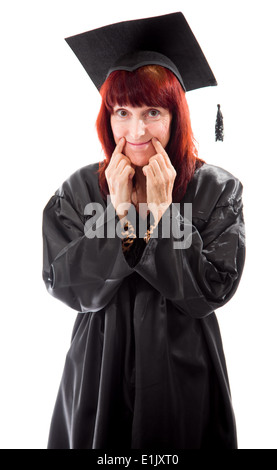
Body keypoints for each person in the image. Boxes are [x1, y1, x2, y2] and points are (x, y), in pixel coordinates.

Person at [42, 12, 245, 449]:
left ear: (176, 115)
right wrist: (121, 214)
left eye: (152, 111)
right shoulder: (79, 189)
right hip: (99, 368)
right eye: (122, 112)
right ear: (108, 117)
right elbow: (67, 284)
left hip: (183, 367)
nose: (136, 131)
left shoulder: (216, 189)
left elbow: (210, 290)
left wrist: (161, 211)